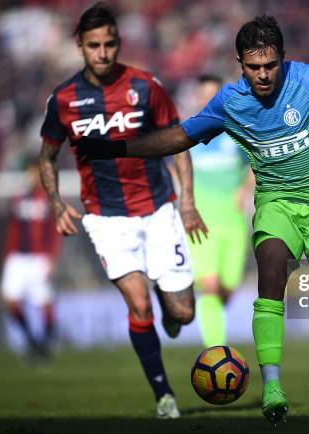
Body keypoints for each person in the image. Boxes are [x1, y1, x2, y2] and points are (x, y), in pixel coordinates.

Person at [76, 15, 309, 424]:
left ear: (283, 58)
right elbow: (180, 137)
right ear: (239, 63)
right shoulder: (229, 102)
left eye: (270, 65)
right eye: (253, 67)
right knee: (271, 273)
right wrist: (120, 149)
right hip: (275, 202)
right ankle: (273, 386)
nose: (262, 75)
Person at [38, 3, 206, 418]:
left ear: (118, 44)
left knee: (183, 313)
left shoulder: (146, 87)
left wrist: (187, 202)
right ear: (80, 46)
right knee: (138, 306)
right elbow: (46, 157)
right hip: (106, 218)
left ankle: (171, 309)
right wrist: (58, 203)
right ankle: (163, 394)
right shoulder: (63, 99)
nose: (102, 53)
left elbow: (178, 140)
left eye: (109, 44)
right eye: (94, 45)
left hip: (159, 208)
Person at [187, 75, 254, 348]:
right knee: (210, 286)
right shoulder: (187, 132)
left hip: (233, 219)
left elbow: (255, 164)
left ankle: (214, 328)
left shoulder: (237, 133)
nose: (207, 99)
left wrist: (244, 188)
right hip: (200, 221)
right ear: (197, 98)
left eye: (213, 94)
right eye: (203, 94)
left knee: (226, 288)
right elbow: (173, 168)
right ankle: (215, 350)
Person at [1, 157, 61, 362]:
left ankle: (45, 343)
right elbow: (12, 230)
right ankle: (31, 341)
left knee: (44, 303)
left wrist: (52, 259)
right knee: (11, 302)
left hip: (39, 257)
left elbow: (55, 232)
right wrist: (7, 255)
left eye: (36, 172)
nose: (32, 176)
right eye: (29, 172)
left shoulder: (50, 199)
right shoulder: (18, 199)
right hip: (17, 257)